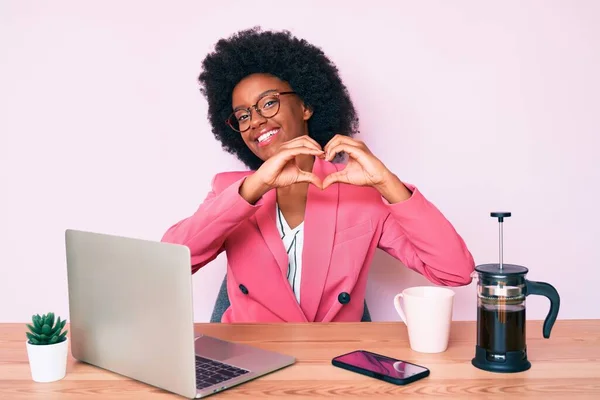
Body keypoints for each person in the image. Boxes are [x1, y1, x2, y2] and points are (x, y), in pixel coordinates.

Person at [161, 27, 475, 323]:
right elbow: (169, 263)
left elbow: (455, 271)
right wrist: (254, 188)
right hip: (248, 360)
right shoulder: (231, 190)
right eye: (243, 115)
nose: (255, 121)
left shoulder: (358, 192)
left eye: (268, 103)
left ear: (307, 106)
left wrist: (386, 182)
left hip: (329, 361)